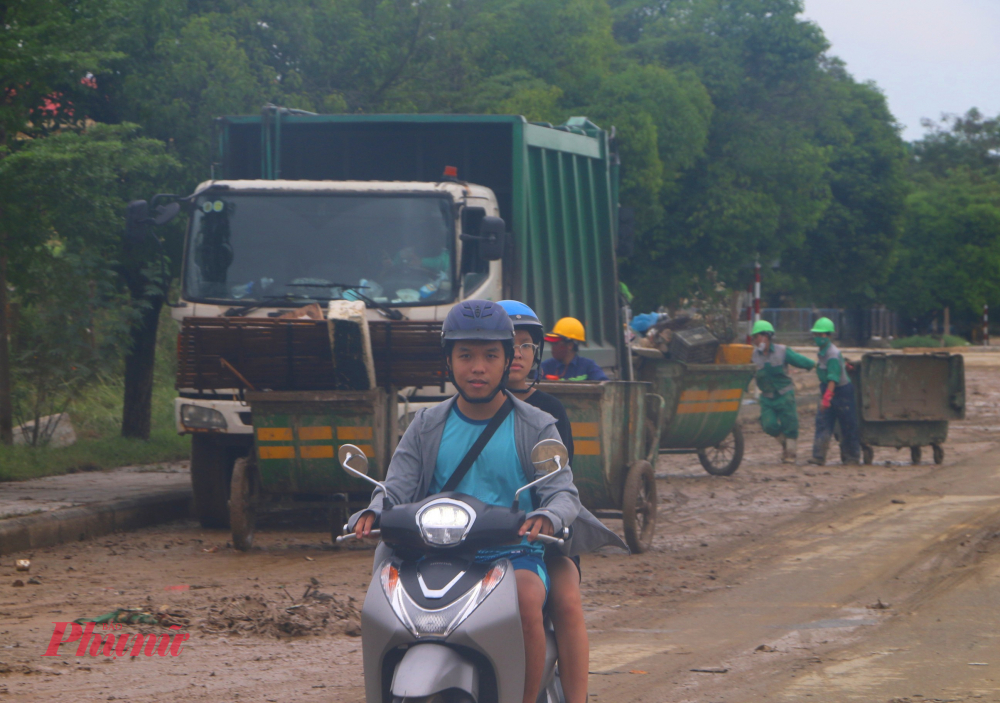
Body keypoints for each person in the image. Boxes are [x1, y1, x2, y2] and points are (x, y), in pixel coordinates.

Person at [349, 300, 624, 703]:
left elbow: (562, 491)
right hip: (434, 552)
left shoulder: (536, 424)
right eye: (465, 355)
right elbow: (396, 486)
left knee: (528, 595)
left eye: (490, 355)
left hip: (512, 553)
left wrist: (547, 515)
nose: (477, 367)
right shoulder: (425, 424)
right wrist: (375, 509)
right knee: (381, 598)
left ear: (509, 359)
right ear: (448, 361)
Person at [498, 300, 588, 703]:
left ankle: (577, 697)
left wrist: (547, 519)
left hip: (542, 540)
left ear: (536, 354)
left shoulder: (548, 412)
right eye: (507, 345)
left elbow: (557, 485)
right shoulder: (456, 411)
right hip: (474, 537)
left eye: (525, 346)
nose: (516, 354)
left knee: (566, 600)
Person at [750, 320, 815, 464]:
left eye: (756, 337)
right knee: (768, 424)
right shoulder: (753, 356)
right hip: (767, 398)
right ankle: (785, 443)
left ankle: (790, 454)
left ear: (766, 336)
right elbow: (746, 374)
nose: (754, 341)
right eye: (753, 338)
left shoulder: (782, 351)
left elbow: (800, 360)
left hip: (784, 396)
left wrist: (813, 365)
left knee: (790, 424)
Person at [807, 317, 861, 465]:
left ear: (829, 335)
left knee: (847, 424)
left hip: (841, 391)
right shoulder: (823, 352)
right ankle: (818, 456)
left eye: (821, 335)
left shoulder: (831, 353)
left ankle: (852, 456)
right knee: (823, 422)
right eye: (816, 335)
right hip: (828, 389)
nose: (818, 338)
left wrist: (826, 399)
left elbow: (833, 379)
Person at [541, 317, 609, 381]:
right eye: (552, 344)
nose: (553, 348)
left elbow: (606, 387)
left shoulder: (588, 366)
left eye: (556, 344)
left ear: (570, 345)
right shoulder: (546, 367)